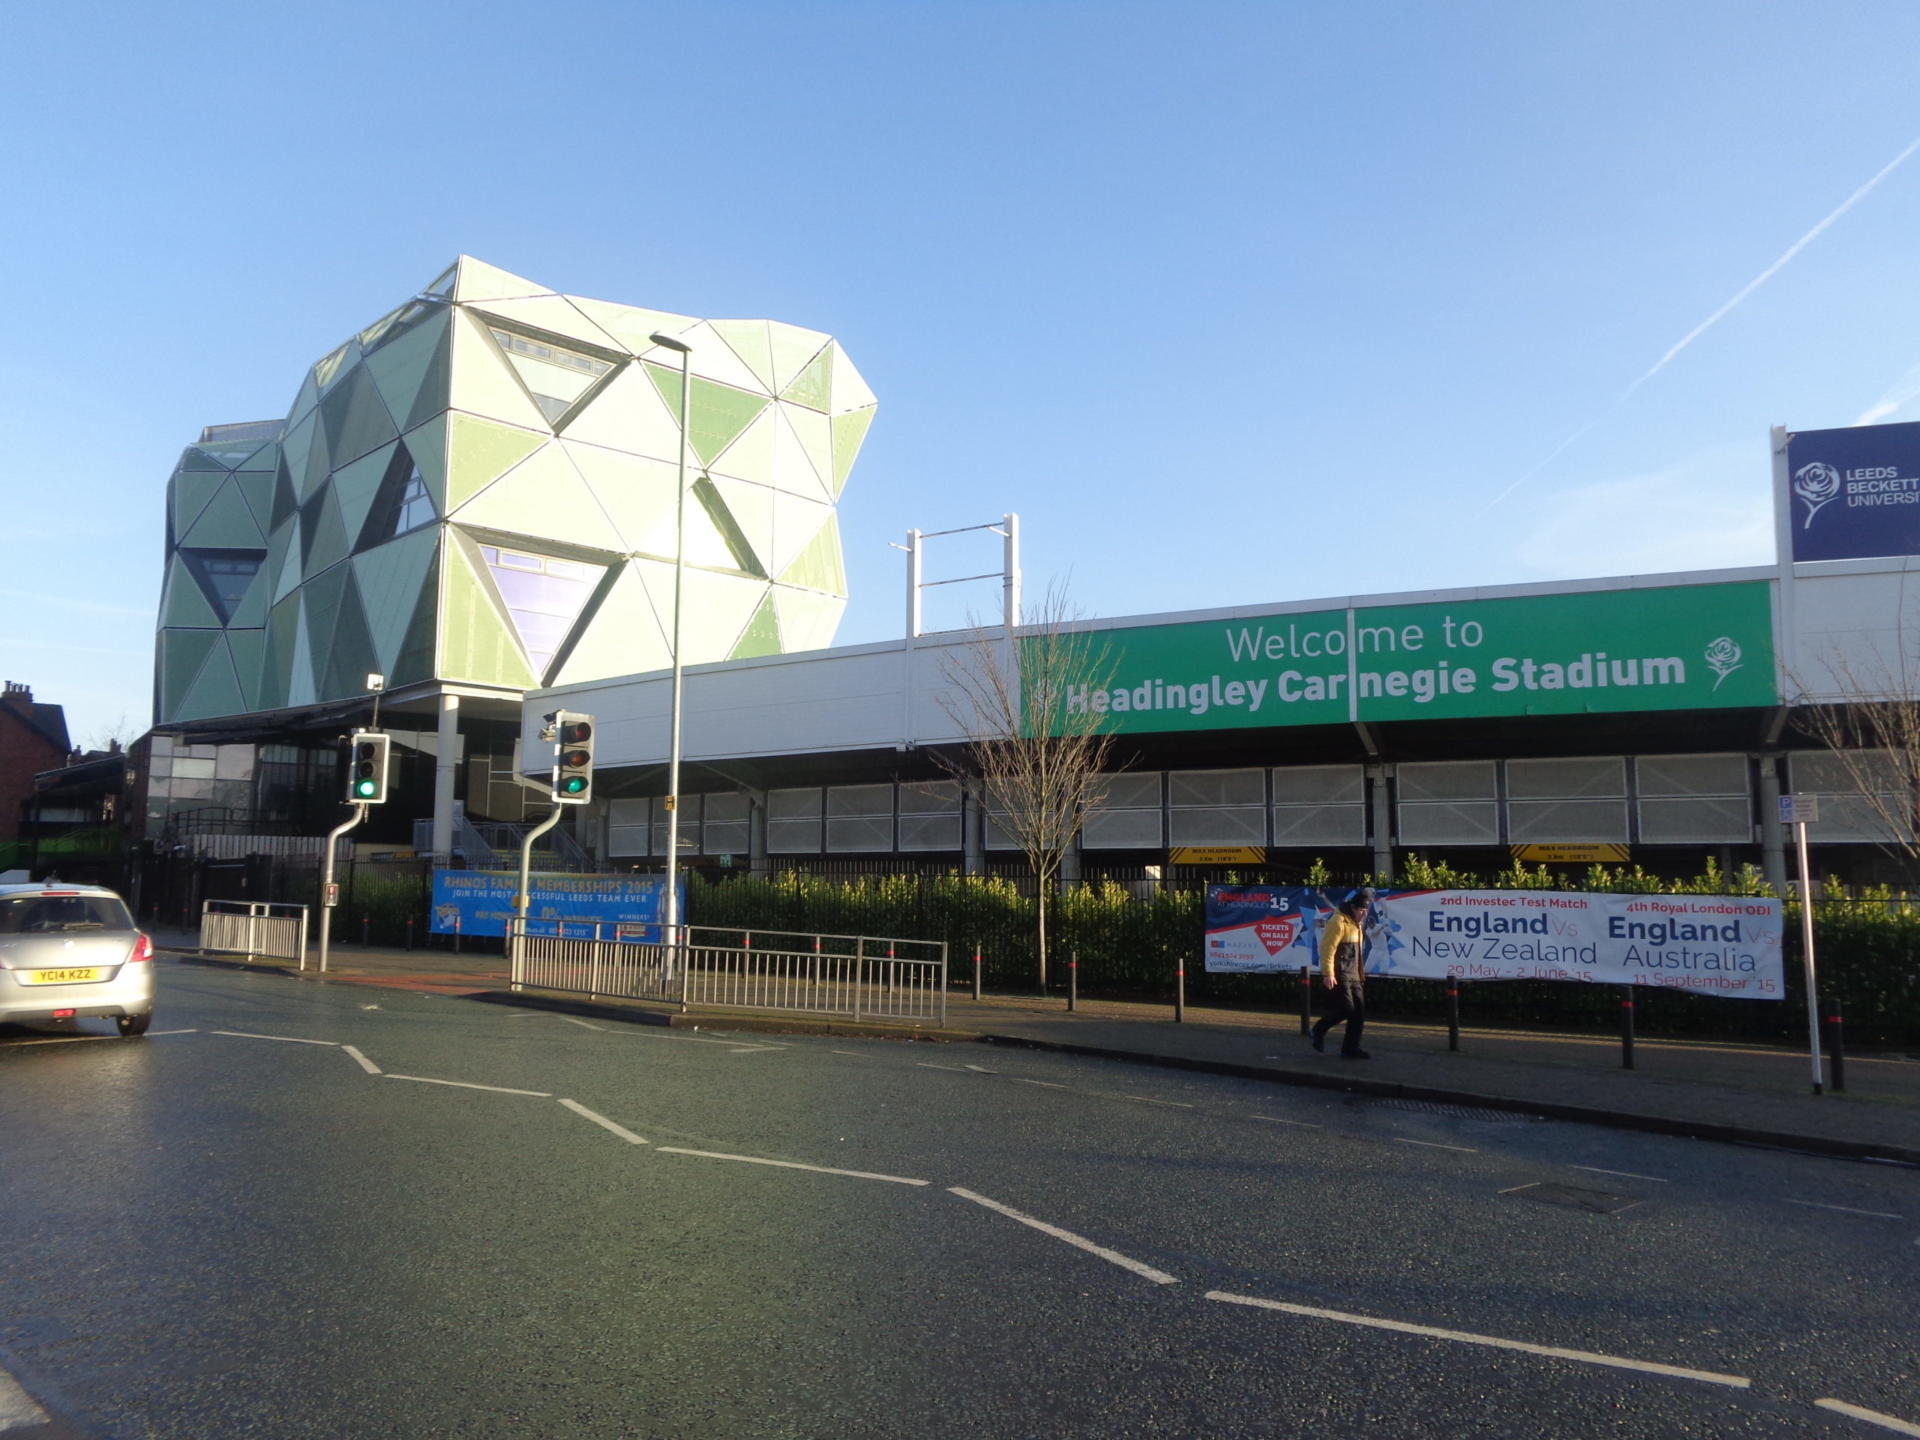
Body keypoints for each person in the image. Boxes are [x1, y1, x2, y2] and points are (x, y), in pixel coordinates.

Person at [1311, 887, 1375, 1059]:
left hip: (1354, 974)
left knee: (1358, 1013)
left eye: (1365, 911)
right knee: (1347, 1009)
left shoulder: (1356, 924)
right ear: (1353, 908)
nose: (1363, 914)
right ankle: (1319, 1029)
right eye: (1361, 910)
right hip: (1340, 973)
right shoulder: (1338, 922)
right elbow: (1327, 948)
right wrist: (1328, 974)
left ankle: (1350, 1049)